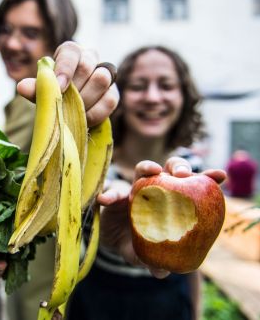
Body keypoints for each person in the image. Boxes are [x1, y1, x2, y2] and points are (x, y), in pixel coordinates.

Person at [0, 0, 118, 319]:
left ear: (56, 39)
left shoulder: (51, 105)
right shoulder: (19, 101)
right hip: (24, 271)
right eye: (4, 30)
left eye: (30, 33)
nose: (11, 43)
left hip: (48, 275)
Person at [66, 46, 211, 320]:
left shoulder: (192, 169)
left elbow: (194, 258)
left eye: (166, 85)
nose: (153, 97)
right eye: (138, 86)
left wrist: (197, 312)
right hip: (98, 302)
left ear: (183, 96)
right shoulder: (91, 165)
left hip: (167, 302)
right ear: (118, 95)